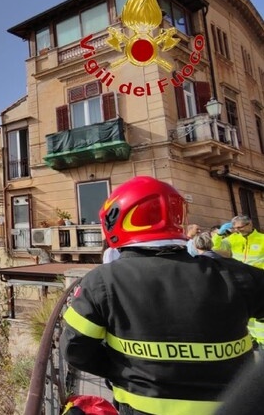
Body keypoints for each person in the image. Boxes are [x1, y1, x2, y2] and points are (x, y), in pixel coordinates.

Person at [61, 176, 264, 415]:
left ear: (115, 220)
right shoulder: (234, 275)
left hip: (141, 406)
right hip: (235, 405)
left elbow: (75, 349)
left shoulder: (102, 280)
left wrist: (120, 370)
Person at [227, 214, 264, 348]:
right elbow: (214, 246)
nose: (238, 230)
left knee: (259, 314)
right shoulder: (233, 238)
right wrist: (220, 234)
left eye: (240, 227)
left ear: (249, 225)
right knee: (244, 314)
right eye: (235, 228)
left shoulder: (262, 239)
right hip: (241, 282)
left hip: (259, 282)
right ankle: (251, 342)